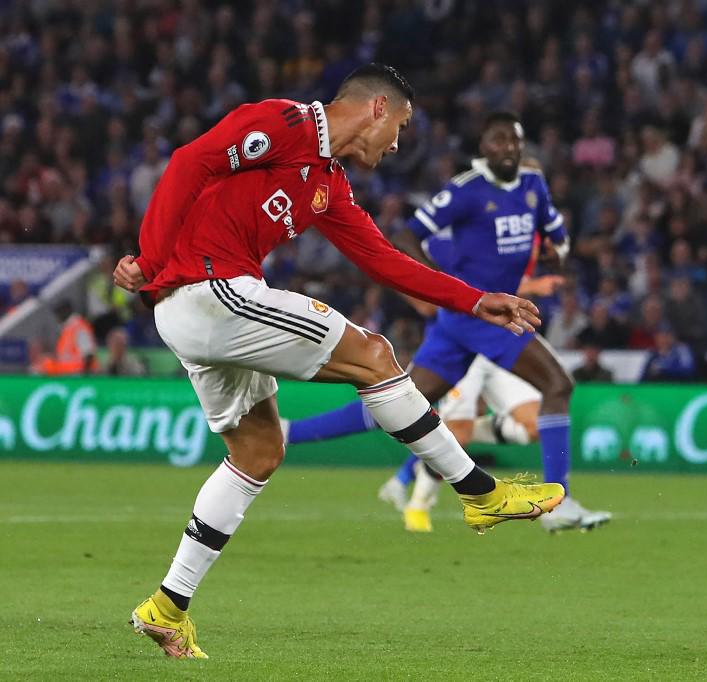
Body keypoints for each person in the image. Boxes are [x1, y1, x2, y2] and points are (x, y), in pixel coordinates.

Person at [112, 65, 564, 660]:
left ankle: (167, 608)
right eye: (399, 127)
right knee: (374, 355)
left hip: (205, 311)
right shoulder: (284, 122)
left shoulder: (328, 184)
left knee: (258, 452)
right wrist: (150, 258)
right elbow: (188, 163)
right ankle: (480, 493)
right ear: (377, 108)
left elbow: (382, 259)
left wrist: (474, 299)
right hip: (210, 291)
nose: (396, 144)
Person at [285, 112, 611, 533]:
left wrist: (560, 248)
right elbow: (406, 236)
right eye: (497, 141)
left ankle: (288, 432)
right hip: (480, 314)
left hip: (471, 318)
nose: (507, 149)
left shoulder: (533, 185)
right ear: (483, 148)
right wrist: (434, 288)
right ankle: (559, 502)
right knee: (557, 385)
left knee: (398, 402)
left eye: (514, 141)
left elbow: (552, 226)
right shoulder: (466, 191)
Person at [30, 300, 98, 375]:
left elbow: (88, 355)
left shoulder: (79, 327)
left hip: (79, 377)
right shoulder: (68, 328)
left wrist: (83, 378)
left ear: (66, 310)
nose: (56, 315)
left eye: (58, 311)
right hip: (68, 376)